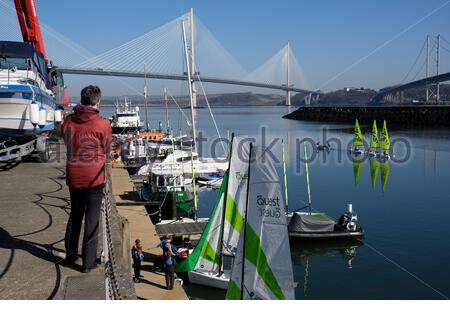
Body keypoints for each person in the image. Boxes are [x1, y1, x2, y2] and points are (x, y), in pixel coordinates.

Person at [61, 85, 112, 273]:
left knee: (75, 215)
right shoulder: (103, 124)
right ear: (97, 102)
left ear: (82, 100)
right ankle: (87, 263)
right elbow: (106, 149)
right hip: (94, 178)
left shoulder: (68, 122)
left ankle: (70, 256)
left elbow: (65, 137)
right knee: (92, 219)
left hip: (74, 175)